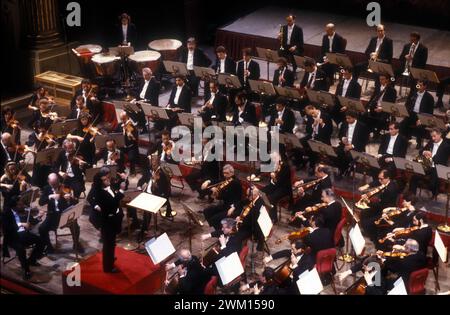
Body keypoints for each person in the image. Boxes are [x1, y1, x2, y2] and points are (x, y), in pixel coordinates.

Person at [90, 167, 126, 273]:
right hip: (107, 222)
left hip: (113, 219)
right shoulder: (100, 194)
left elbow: (120, 185)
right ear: (101, 182)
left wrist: (124, 180)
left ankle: (110, 258)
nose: (108, 180)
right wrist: (121, 191)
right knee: (108, 245)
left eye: (108, 178)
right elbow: (112, 204)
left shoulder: (108, 186)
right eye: (105, 180)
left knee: (111, 242)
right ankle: (108, 267)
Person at [38, 173, 83, 254]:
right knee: (41, 229)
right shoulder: (46, 189)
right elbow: (41, 202)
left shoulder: (64, 187)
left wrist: (70, 198)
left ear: (59, 180)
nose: (55, 186)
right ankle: (49, 246)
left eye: (56, 183)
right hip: (52, 215)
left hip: (64, 214)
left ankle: (76, 244)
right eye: (53, 184)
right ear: (49, 182)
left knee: (75, 225)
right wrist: (50, 196)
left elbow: (75, 202)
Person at [2, 196, 45, 280]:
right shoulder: (6, 213)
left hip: (22, 234)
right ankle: (26, 269)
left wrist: (39, 217)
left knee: (41, 241)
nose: (23, 206)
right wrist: (21, 224)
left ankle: (31, 260)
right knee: (21, 249)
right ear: (14, 206)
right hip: (12, 236)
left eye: (22, 204)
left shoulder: (23, 212)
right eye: (20, 205)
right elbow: (6, 228)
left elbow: (32, 222)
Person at [358, 169, 399, 242]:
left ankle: (372, 235)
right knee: (363, 213)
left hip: (386, 211)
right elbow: (377, 182)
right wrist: (367, 186)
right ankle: (368, 230)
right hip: (381, 206)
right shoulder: (385, 182)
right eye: (379, 178)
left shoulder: (390, 190)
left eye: (381, 179)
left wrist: (368, 202)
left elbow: (381, 206)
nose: (379, 180)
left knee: (367, 222)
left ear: (388, 178)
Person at [202, 164, 242, 230]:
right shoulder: (227, 179)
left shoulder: (235, 183)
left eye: (227, 173)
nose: (225, 175)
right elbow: (218, 181)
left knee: (214, 219)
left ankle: (222, 233)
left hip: (232, 207)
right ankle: (219, 230)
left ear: (232, 173)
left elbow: (225, 196)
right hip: (225, 205)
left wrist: (215, 194)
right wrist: (208, 181)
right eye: (224, 173)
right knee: (206, 211)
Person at [400, 80, 434, 149]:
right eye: (418, 85)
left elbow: (430, 112)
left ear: (425, 86)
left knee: (420, 126)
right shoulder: (413, 94)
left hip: (422, 116)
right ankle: (404, 140)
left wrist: (421, 119)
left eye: (421, 85)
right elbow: (407, 105)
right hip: (412, 114)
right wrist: (404, 113)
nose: (418, 87)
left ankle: (419, 142)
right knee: (403, 123)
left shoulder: (429, 97)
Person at [261, 152, 292, 222]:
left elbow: (280, 182)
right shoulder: (274, 164)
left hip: (283, 188)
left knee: (272, 198)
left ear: (279, 157)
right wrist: (255, 174)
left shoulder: (285, 167)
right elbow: (262, 168)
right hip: (273, 186)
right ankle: (262, 213)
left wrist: (275, 177)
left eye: (275, 159)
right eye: (272, 159)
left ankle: (273, 218)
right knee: (261, 192)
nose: (273, 161)